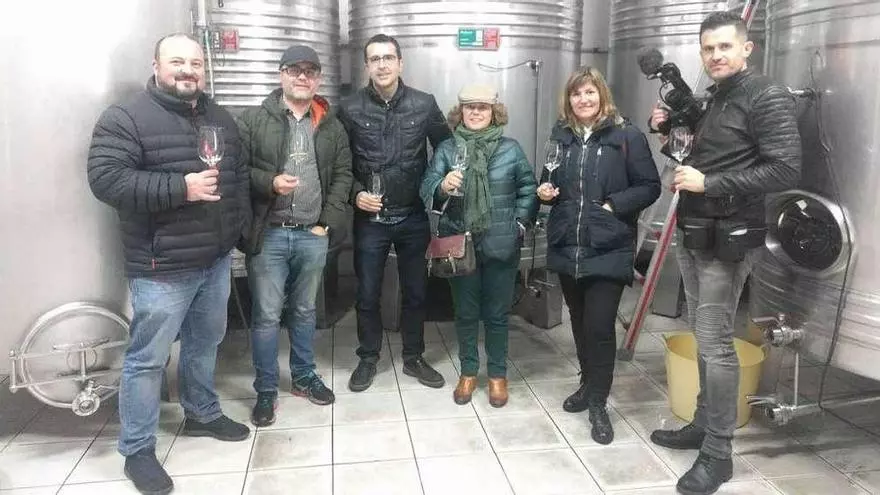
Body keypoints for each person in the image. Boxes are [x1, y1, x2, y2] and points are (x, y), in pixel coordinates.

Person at [87, 33, 251, 495]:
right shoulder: (126, 117)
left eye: (196, 63)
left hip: (214, 260)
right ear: (156, 65)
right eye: (177, 61)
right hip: (162, 265)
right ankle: (137, 450)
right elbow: (106, 180)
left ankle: (202, 413)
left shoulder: (219, 117)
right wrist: (181, 188)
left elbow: (236, 177)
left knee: (205, 343)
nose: (188, 71)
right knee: (148, 359)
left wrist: (236, 232)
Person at [647, 12, 801, 495]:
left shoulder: (765, 95)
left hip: (729, 237)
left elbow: (786, 169)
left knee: (715, 343)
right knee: (703, 335)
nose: (716, 55)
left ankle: (718, 454)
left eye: (725, 47)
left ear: (746, 48)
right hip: (696, 230)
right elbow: (704, 151)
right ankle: (701, 423)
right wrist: (668, 133)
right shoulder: (716, 96)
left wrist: (710, 182)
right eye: (708, 48)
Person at [538, 66, 661, 444]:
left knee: (599, 327)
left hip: (608, 243)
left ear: (602, 95)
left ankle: (598, 404)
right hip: (568, 243)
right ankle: (587, 384)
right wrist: (545, 191)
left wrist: (612, 206)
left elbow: (650, 186)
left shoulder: (627, 135)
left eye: (589, 92)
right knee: (578, 322)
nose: (583, 99)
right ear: (569, 100)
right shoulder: (561, 136)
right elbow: (549, 178)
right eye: (576, 94)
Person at [237, 45, 353, 426]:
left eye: (310, 71)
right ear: (281, 74)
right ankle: (266, 390)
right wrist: (269, 182)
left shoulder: (331, 125)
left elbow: (343, 175)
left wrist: (326, 223)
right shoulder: (255, 120)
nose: (303, 77)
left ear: (318, 79)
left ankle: (303, 376)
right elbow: (237, 171)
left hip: (311, 234)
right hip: (269, 234)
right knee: (267, 315)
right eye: (294, 70)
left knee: (305, 311)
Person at [337, 33, 453, 392]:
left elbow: (446, 148)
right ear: (367, 66)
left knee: (416, 292)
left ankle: (414, 356)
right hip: (370, 220)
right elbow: (340, 163)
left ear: (400, 63)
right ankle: (368, 358)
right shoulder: (350, 108)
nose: (382, 65)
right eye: (375, 59)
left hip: (413, 216)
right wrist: (356, 194)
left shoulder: (423, 104)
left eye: (388, 58)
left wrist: (437, 185)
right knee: (367, 293)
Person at [420, 84, 537, 407]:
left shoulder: (510, 149)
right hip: (459, 244)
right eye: (469, 107)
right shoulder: (447, 149)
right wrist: (442, 186)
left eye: (482, 107)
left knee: (498, 315)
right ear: (460, 112)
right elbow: (426, 186)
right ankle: (469, 372)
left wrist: (517, 225)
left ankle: (498, 375)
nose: (475, 112)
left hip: (501, 244)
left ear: (493, 112)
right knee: (466, 314)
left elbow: (528, 189)